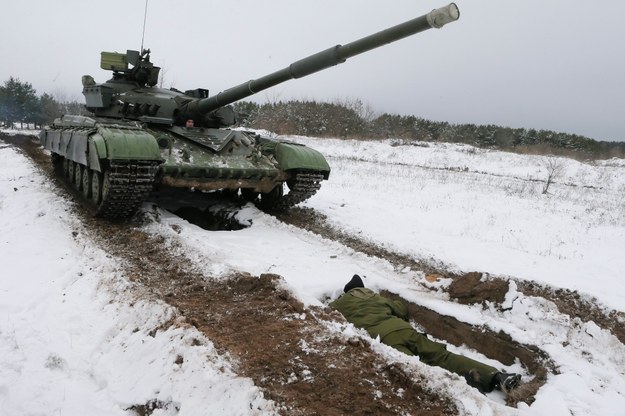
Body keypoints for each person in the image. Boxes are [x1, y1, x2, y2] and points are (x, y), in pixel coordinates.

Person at [330, 275, 522, 393]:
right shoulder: (374, 296)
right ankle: (496, 376)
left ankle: (463, 388)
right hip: (404, 329)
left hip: (384, 339)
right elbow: (401, 310)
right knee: (442, 356)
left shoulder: (338, 304)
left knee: (419, 371)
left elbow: (328, 319)